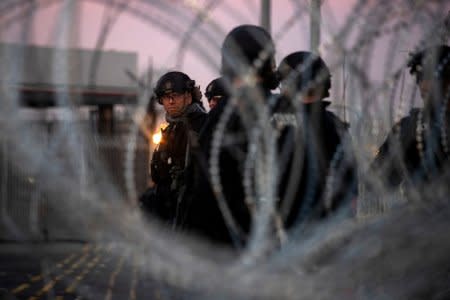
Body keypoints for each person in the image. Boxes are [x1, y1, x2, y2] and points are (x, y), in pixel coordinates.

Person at [183, 25, 281, 247]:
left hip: (228, 242)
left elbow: (203, 186)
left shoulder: (223, 115)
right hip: (279, 240)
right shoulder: (284, 109)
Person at [275, 51, 356, 229]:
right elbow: (349, 179)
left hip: (294, 223)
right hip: (328, 222)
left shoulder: (281, 123)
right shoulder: (334, 125)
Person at [371, 45, 450, 193]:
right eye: (420, 78)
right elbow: (380, 177)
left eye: (431, 76)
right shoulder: (411, 128)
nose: (422, 84)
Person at [139, 71, 207, 228]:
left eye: (175, 95)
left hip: (191, 214)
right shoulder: (172, 129)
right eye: (165, 97)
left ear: (188, 97)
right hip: (170, 210)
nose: (170, 101)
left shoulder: (201, 126)